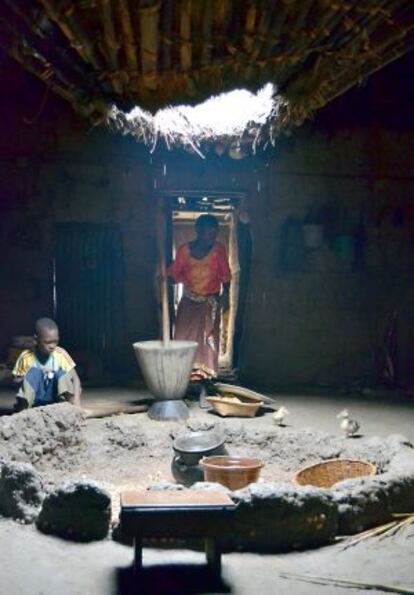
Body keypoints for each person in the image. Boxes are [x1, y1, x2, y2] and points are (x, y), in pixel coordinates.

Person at [167, 214, 231, 393]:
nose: (212, 234)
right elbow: (173, 275)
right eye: (208, 231)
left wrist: (225, 297)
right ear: (198, 231)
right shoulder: (184, 251)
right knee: (183, 338)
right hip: (188, 302)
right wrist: (163, 277)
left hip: (210, 303)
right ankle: (182, 378)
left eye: (214, 231)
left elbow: (226, 276)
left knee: (207, 343)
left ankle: (206, 381)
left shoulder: (219, 250)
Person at [12, 317, 82, 410]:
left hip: (55, 398)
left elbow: (75, 379)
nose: (52, 346)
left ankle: (68, 408)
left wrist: (77, 402)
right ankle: (24, 409)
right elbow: (15, 382)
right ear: (36, 339)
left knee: (61, 374)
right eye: (48, 342)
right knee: (34, 373)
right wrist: (27, 378)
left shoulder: (60, 354)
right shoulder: (26, 357)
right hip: (33, 399)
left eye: (55, 341)